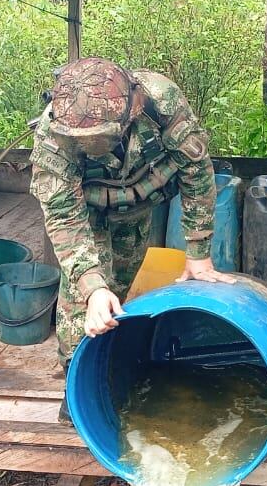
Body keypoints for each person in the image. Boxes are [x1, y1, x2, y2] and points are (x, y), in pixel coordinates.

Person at [28, 57, 237, 421]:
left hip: (138, 204)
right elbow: (63, 216)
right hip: (86, 212)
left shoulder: (161, 103)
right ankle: (77, 380)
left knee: (120, 287)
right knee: (84, 300)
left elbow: (196, 171)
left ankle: (111, 363)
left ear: (127, 118)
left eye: (100, 139)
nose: (93, 146)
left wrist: (199, 252)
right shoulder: (53, 134)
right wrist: (91, 286)